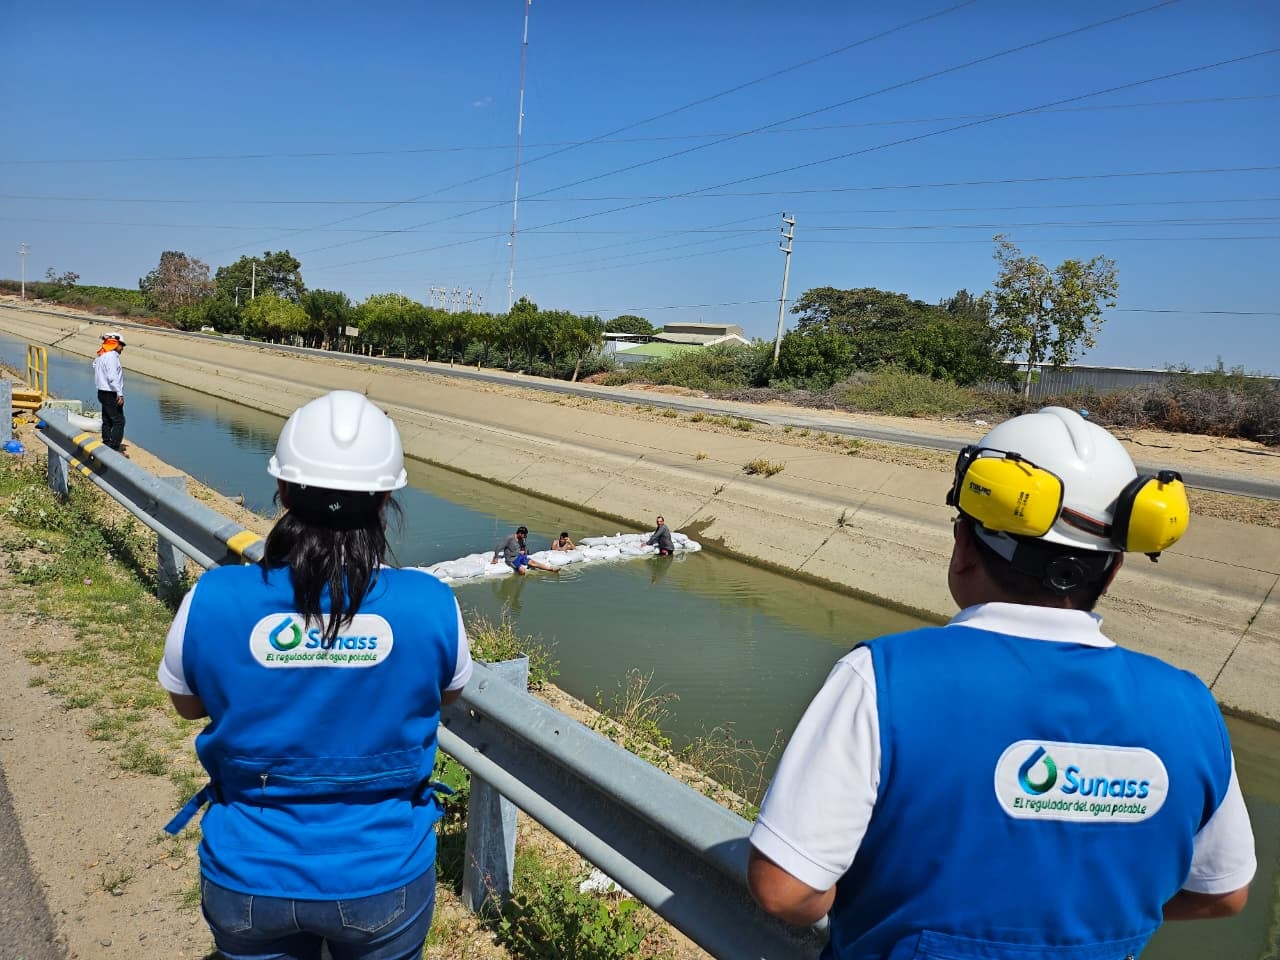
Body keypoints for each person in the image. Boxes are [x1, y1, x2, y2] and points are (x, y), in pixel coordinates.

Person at [748, 406, 1255, 959]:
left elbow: (785, 890)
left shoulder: (883, 679)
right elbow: (1223, 893)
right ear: (1111, 571)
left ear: (965, 546)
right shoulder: (1190, 707)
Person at [157, 390, 472, 960]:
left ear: (282, 490)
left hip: (247, 874)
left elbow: (187, 704)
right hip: (383, 877)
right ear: (384, 500)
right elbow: (446, 692)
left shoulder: (213, 598)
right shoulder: (432, 606)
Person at [92, 331, 126, 451]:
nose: (122, 348)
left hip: (101, 392)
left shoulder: (101, 356)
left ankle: (106, 443)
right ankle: (114, 448)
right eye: (122, 345)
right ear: (115, 344)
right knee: (119, 421)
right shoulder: (111, 357)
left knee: (107, 420)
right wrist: (120, 394)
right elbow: (112, 377)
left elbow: (95, 366)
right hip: (111, 393)